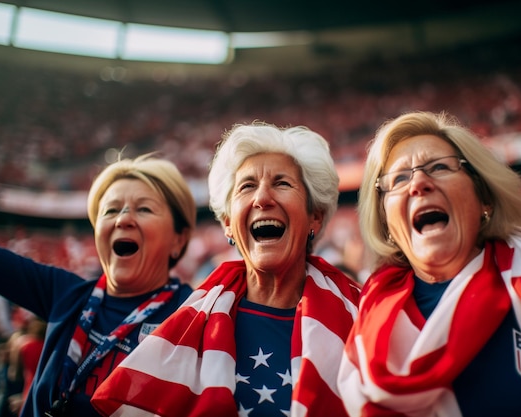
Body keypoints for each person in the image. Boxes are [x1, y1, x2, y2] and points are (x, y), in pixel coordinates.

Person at [337, 111, 521, 417]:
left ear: (484, 198)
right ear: (387, 222)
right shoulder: (366, 318)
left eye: (439, 167)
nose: (417, 183)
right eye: (399, 178)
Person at [91, 122, 362, 417]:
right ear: (228, 225)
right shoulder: (181, 326)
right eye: (247, 186)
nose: (262, 198)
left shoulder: (364, 317)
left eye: (282, 183)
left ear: (316, 217)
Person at [0, 154, 197, 417]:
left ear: (178, 240)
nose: (123, 219)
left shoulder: (196, 315)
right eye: (111, 210)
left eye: (144, 208)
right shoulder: (65, 294)